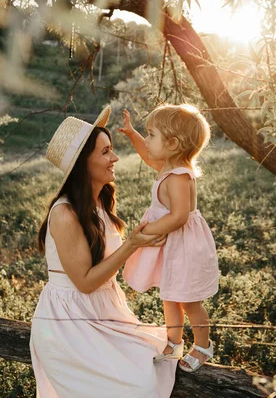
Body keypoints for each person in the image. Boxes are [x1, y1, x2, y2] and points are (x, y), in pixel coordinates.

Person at [29, 106, 177, 398]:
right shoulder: (65, 213)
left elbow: (109, 261)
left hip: (104, 311)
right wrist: (133, 244)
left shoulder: (99, 206)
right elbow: (84, 283)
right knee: (139, 387)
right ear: (84, 163)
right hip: (68, 322)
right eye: (106, 152)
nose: (115, 158)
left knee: (156, 359)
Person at [119, 104, 219, 373]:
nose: (147, 140)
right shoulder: (167, 165)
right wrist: (131, 134)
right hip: (171, 246)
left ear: (173, 143)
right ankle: (174, 341)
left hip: (183, 246)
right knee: (169, 295)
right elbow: (147, 155)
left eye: (151, 135)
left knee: (188, 300)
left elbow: (179, 217)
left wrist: (146, 231)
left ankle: (202, 345)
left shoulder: (179, 176)